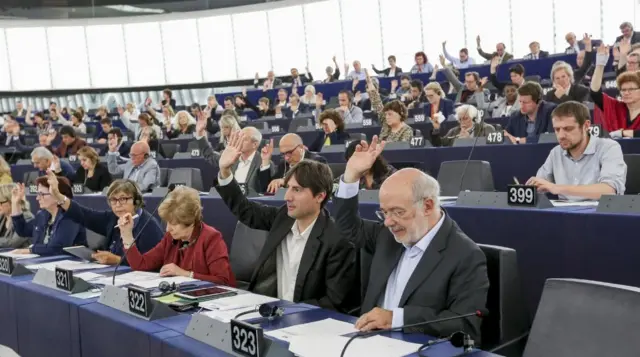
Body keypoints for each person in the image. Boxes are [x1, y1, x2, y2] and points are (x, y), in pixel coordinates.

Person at [332, 136, 488, 341]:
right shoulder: (386, 236)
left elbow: (465, 324)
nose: (388, 222)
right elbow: (347, 227)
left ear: (428, 206)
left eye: (397, 212)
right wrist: (351, 175)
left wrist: (396, 319)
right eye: (384, 213)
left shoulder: (465, 255)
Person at [215, 131, 357, 311]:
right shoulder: (283, 217)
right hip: (268, 312)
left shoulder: (337, 240)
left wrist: (287, 313)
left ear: (320, 196)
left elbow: (334, 302)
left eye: (297, 190)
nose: (288, 196)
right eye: (288, 188)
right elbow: (246, 210)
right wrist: (225, 171)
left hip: (306, 323)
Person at [124, 186, 236, 285]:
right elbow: (140, 265)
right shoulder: (170, 237)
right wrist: (127, 235)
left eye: (173, 224)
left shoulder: (211, 238)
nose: (168, 229)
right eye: (167, 222)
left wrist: (185, 274)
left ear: (190, 221)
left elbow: (223, 281)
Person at [526, 101, 627, 201]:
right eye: (557, 129)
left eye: (568, 129)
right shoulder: (556, 152)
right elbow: (540, 184)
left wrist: (557, 188)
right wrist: (531, 188)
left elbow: (609, 190)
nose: (561, 136)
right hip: (564, 215)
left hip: (600, 215)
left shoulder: (608, 147)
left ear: (586, 126)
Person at [54, 179, 164, 265]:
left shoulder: (149, 226)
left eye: (123, 199)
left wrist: (118, 260)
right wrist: (59, 197)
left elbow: (152, 263)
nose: (117, 204)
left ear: (136, 201)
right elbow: (84, 215)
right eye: (113, 200)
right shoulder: (112, 218)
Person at [10, 174, 86, 256]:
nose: (37, 198)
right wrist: (15, 203)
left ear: (57, 195)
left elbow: (57, 248)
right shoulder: (43, 214)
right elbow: (22, 230)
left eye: (41, 194)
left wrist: (31, 250)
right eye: (38, 194)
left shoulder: (70, 216)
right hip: (45, 261)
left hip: (70, 263)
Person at [259, 133, 328, 194]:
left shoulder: (317, 161)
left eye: (289, 153)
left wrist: (286, 181)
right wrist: (265, 161)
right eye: (283, 154)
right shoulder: (284, 165)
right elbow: (267, 189)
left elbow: (314, 185)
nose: (286, 158)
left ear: (301, 147)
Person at [366, 70, 413, 142]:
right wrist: (370, 85)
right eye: (386, 114)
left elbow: (402, 149)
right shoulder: (386, 123)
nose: (387, 117)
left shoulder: (407, 130)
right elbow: (377, 103)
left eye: (390, 114)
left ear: (400, 113)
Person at [430, 105, 496, 147]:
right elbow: (439, 144)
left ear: (474, 118)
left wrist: (469, 140)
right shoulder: (454, 131)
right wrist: (436, 129)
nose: (462, 122)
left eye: (465, 118)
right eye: (460, 119)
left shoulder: (486, 128)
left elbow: (491, 148)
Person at [0, 184, 33, 248]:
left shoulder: (27, 217)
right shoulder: (2, 216)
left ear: (11, 201)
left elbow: (12, 243)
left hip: (21, 257)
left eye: (0, 203)